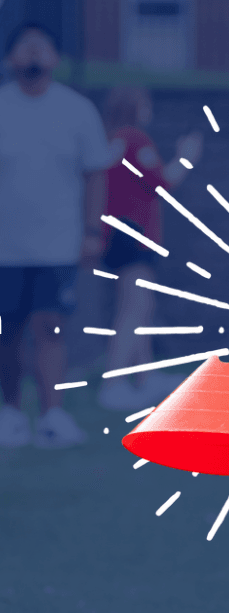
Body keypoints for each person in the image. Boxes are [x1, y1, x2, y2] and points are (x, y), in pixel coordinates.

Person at [0, 22, 111, 448]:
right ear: (10, 59)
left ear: (54, 59)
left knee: (51, 327)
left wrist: (90, 231)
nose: (33, 53)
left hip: (58, 243)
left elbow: (96, 174)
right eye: (24, 46)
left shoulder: (76, 110)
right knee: (7, 331)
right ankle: (10, 412)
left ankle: (52, 414)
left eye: (41, 46)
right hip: (6, 246)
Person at [96, 87, 203, 410]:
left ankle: (143, 378)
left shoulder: (111, 140)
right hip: (136, 234)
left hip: (115, 235)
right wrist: (188, 155)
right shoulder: (136, 140)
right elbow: (164, 182)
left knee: (137, 304)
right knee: (136, 307)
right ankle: (113, 384)